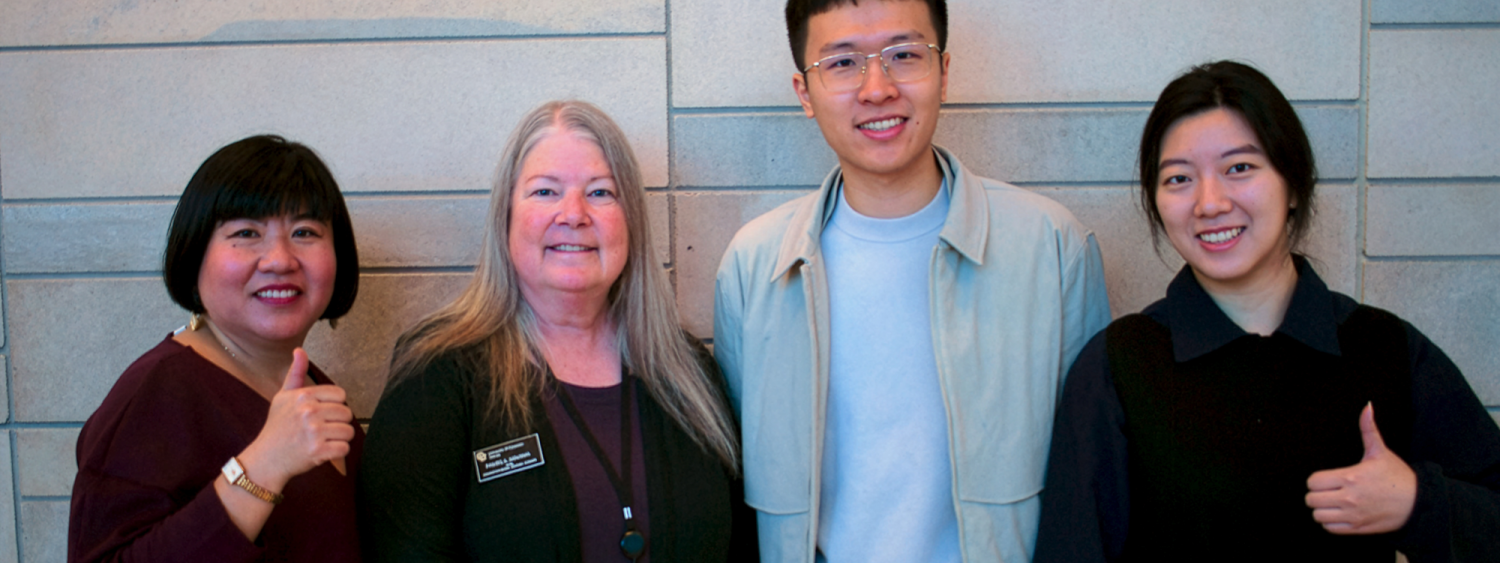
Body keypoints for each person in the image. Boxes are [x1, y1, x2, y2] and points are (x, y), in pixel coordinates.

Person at [1034, 61, 1500, 562]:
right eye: (1178, 179)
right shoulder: (1121, 363)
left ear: (1294, 185)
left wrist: (1418, 504)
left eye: (1240, 168)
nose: (1209, 203)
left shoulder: (1383, 347)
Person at [712, 0, 1111, 560]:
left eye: (903, 55)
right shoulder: (754, 267)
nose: (877, 88)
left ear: (944, 72)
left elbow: (1091, 486)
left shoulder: (1052, 248)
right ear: (805, 92)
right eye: (843, 63)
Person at [360, 100, 754, 562]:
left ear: (631, 221)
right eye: (545, 192)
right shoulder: (438, 375)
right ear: (506, 216)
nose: (573, 214)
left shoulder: (689, 371)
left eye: (601, 193)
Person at [68, 135, 364, 562]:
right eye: (246, 232)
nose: (280, 259)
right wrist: (263, 464)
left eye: (305, 232)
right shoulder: (157, 390)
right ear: (195, 252)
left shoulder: (310, 385)